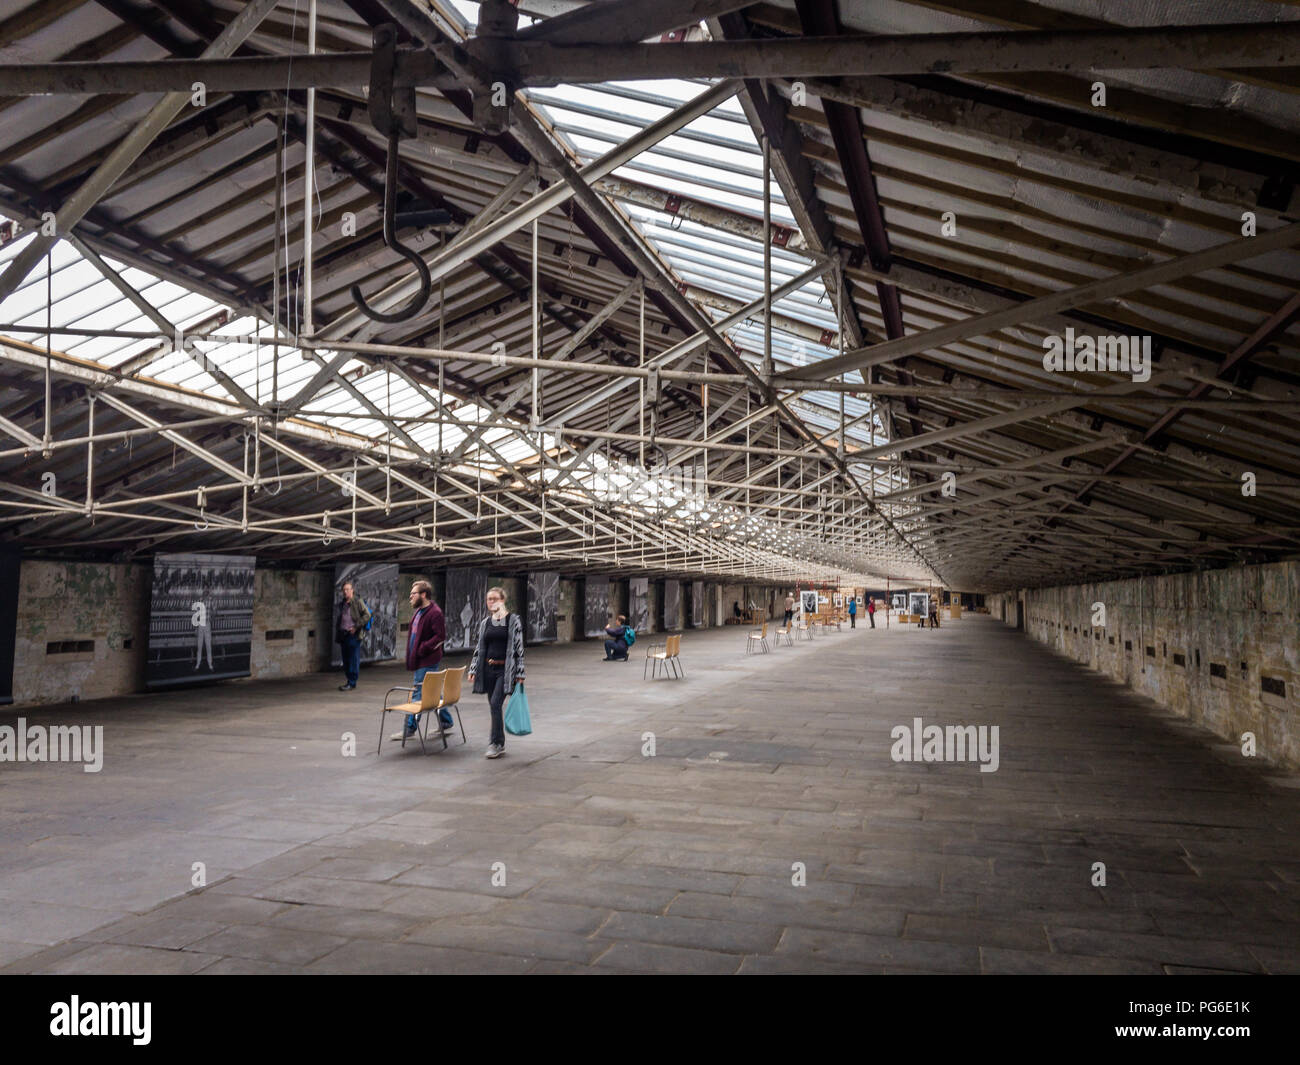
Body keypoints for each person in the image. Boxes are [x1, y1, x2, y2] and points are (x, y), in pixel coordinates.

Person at [467, 586, 525, 760]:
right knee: (495, 706)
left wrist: (520, 673)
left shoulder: (512, 620)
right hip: (488, 669)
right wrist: (473, 668)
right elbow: (479, 647)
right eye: (488, 599)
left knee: (494, 703)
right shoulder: (486, 622)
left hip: (505, 670)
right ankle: (500, 741)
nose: (491, 602)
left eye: (494, 598)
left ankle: (495, 743)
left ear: (502, 600)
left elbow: (519, 648)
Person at [391, 580, 447, 741]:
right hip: (420, 658)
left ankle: (409, 728)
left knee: (418, 692)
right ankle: (446, 721)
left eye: (413, 594)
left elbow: (440, 637)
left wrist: (423, 648)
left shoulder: (434, 613)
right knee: (432, 691)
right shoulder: (419, 611)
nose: (410, 597)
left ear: (423, 595)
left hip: (427, 660)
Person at [336, 580, 372, 691]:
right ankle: (349, 680)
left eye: (348, 589)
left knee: (353, 659)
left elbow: (368, 614)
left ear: (352, 590)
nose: (345, 592)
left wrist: (356, 626)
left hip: (353, 635)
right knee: (346, 659)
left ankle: (352, 682)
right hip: (344, 634)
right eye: (344, 590)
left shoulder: (357, 601)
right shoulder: (342, 603)